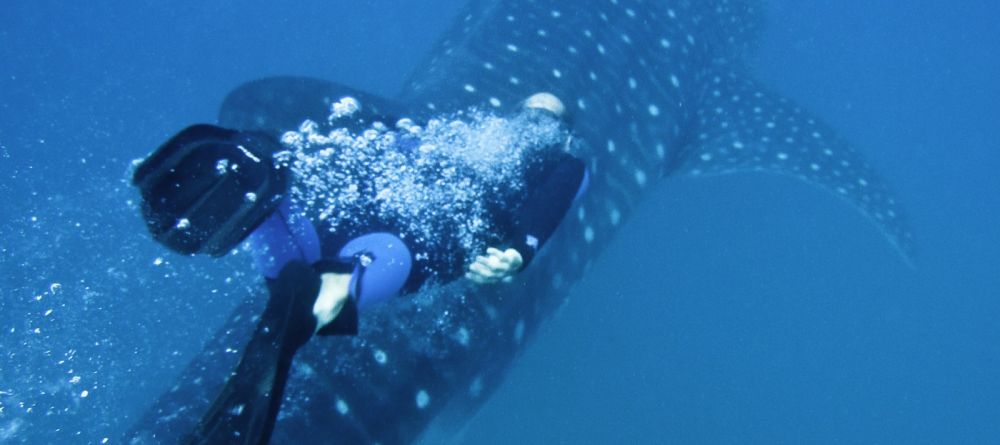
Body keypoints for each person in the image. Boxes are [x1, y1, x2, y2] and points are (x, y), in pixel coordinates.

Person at [131, 92, 587, 444]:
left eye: (545, 116)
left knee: (324, 269)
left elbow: (553, 203)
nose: (533, 119)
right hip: (378, 223)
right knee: (302, 241)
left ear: (561, 131)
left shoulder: (566, 162)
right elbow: (387, 137)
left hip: (411, 239)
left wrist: (521, 250)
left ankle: (267, 198)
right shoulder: (471, 137)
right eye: (529, 110)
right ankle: (259, 184)